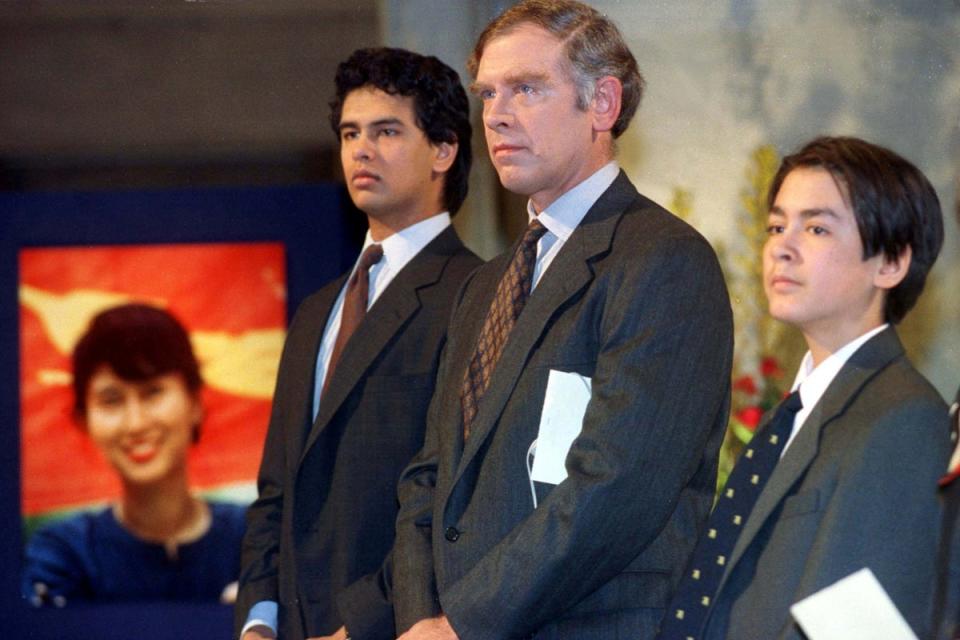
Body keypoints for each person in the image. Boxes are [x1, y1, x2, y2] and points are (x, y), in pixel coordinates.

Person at [388, 2, 733, 638]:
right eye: (488, 92)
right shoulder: (485, 286)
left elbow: (616, 487)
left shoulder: (663, 259)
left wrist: (463, 621)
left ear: (602, 103)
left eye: (526, 88)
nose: (494, 113)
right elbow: (428, 475)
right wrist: (417, 617)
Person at [657, 136, 949, 640]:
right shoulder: (794, 413)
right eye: (776, 226)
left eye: (816, 227)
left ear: (891, 263)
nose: (782, 248)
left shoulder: (903, 416)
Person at [235, 47, 481, 640]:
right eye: (350, 134)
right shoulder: (317, 310)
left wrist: (362, 624)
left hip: (398, 625)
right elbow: (277, 488)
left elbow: (462, 496)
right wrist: (258, 620)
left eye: (387, 131)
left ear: (443, 150)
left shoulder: (475, 292)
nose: (361, 150)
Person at [22, 303, 246, 605]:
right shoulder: (63, 555)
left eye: (152, 392)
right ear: (83, 420)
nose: (136, 423)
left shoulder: (258, 540)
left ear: (195, 402)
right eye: (111, 400)